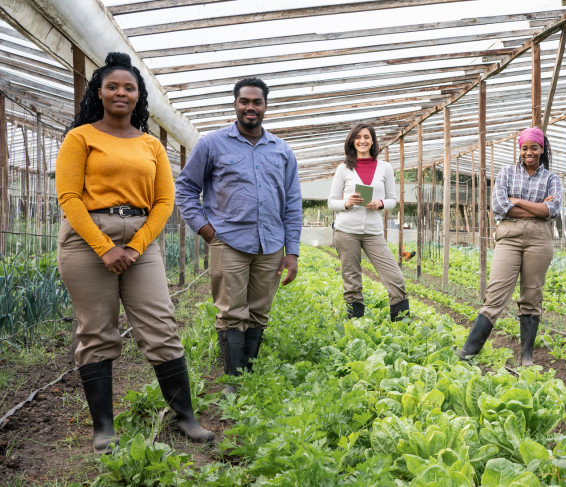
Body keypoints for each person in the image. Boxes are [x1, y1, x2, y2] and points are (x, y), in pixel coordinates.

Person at [56, 52, 214, 451]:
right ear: (99, 92)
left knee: (160, 327)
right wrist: (104, 247)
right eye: (113, 86)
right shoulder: (80, 138)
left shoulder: (151, 145)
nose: (121, 93)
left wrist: (136, 246)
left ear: (139, 95)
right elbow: (69, 198)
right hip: (88, 237)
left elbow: (164, 202)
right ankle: (104, 429)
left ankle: (186, 419)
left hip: (141, 238)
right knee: (96, 331)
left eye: (129, 87)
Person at [175, 77, 302, 394]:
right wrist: (206, 230)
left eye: (256, 102)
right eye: (244, 101)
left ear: (265, 107)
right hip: (228, 241)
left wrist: (292, 251)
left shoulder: (281, 150)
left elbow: (293, 203)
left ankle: (247, 376)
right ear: (235, 103)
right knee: (232, 312)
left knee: (259, 312)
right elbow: (186, 189)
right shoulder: (212, 144)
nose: (250, 107)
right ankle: (233, 384)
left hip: (271, 244)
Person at [457, 126, 562, 366]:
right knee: (495, 294)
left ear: (541, 149)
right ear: (520, 150)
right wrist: (536, 209)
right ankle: (468, 353)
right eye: (525, 148)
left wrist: (517, 201)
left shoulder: (552, 179)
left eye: (534, 147)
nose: (529, 152)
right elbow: (498, 206)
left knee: (531, 296)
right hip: (509, 237)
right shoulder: (506, 173)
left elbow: (552, 210)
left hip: (539, 239)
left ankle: (526, 358)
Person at [327, 123, 410, 321]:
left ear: (372, 141)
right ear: (352, 141)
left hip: (373, 232)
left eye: (366, 137)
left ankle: (401, 326)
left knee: (395, 277)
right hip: (346, 231)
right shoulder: (343, 168)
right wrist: (347, 203)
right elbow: (331, 202)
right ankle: (355, 325)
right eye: (358, 137)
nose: (362, 141)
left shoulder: (385, 168)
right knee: (352, 281)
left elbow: (392, 199)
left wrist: (380, 203)